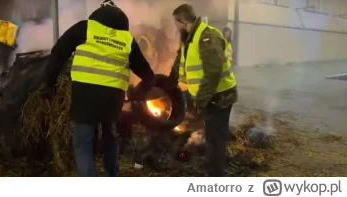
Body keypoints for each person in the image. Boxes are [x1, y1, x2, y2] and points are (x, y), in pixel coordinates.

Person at [44, 0, 154, 177]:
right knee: (110, 136)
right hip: (112, 98)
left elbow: (58, 53)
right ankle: (111, 176)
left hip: (85, 94)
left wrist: (48, 84)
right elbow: (148, 75)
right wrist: (137, 93)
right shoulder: (126, 39)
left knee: (83, 142)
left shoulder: (85, 28)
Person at [169, 4, 238, 176]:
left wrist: (199, 102)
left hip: (220, 96)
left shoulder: (207, 36)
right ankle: (214, 167)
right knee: (211, 136)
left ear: (182, 22)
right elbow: (179, 63)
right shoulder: (189, 38)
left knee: (215, 139)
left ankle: (216, 176)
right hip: (209, 96)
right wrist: (166, 84)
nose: (175, 28)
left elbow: (213, 72)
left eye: (176, 24)